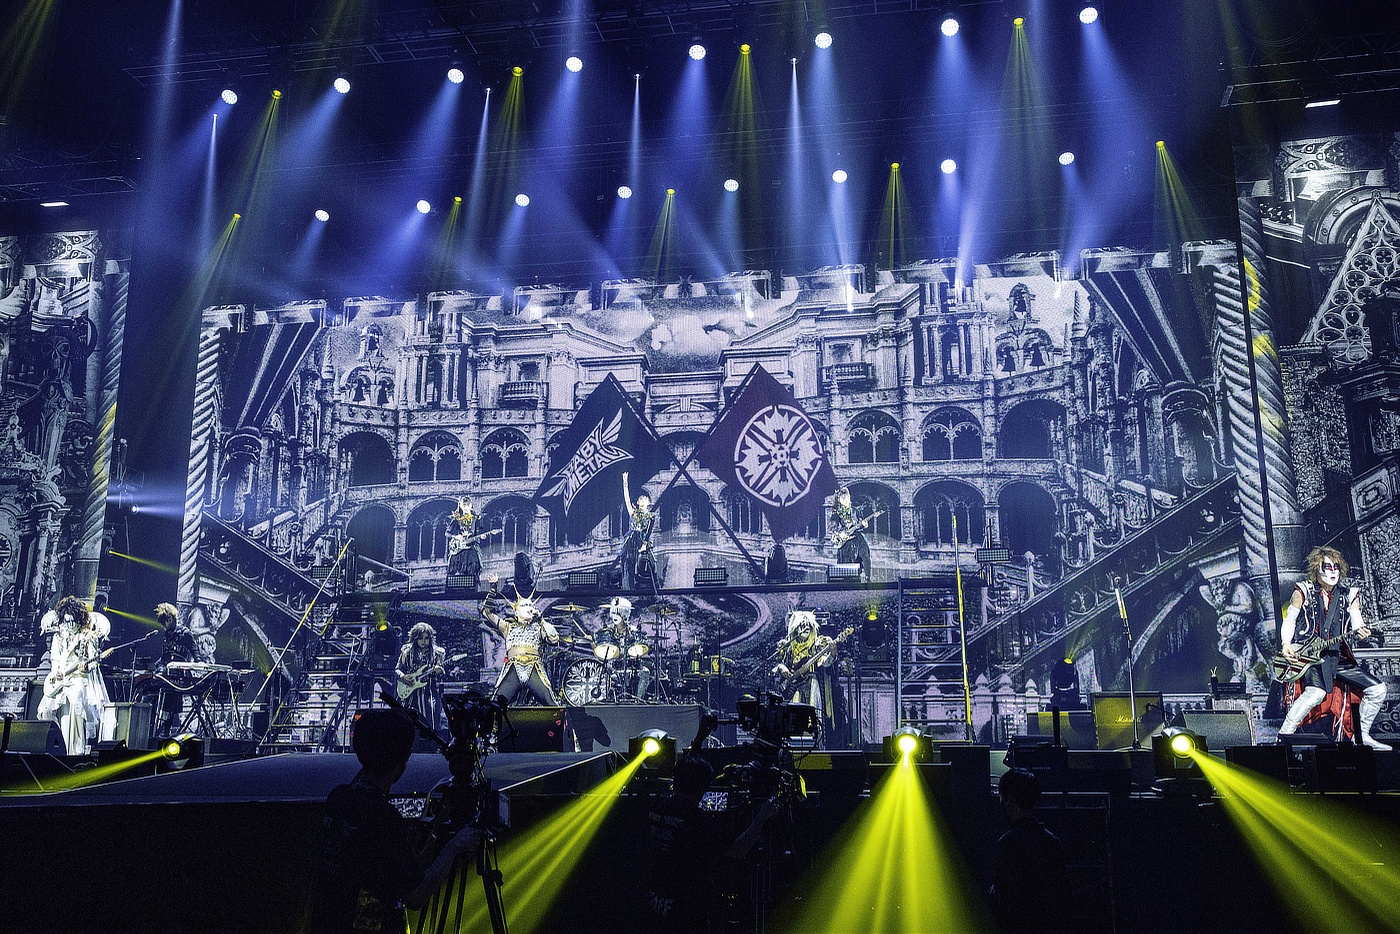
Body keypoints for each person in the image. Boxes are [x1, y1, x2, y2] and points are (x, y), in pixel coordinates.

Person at [309, 709, 482, 934]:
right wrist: (454, 846)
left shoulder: (338, 798)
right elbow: (415, 896)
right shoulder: (383, 817)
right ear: (401, 762)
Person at [642, 752, 780, 934]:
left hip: (657, 901)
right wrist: (762, 816)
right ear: (702, 787)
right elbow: (738, 850)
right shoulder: (697, 820)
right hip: (686, 911)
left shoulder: (657, 805)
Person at [1277, 546, 1391, 749]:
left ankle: (1362, 736)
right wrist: (1286, 643)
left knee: (1377, 689)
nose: (1332, 572)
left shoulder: (1349, 594)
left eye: (1336, 567)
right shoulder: (1303, 590)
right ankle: (1284, 735)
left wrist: (1361, 630)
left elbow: (1356, 620)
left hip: (1336, 656)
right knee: (1315, 693)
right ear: (1317, 568)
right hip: (1309, 654)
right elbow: (1290, 619)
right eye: (1327, 567)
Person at [989, 768, 1069, 934]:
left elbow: (1004, 900)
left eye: (1001, 796)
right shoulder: (1053, 842)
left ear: (1010, 800)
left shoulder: (1007, 843)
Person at [36, 596, 104, 755]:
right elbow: (54, 658)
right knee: (46, 708)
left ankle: (75, 750)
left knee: (76, 699)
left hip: (79, 678)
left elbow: (93, 661)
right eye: (66, 621)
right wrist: (57, 672)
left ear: (79, 618)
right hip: (60, 678)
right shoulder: (58, 636)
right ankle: (53, 745)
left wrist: (86, 668)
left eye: (72, 621)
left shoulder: (88, 636)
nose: (69, 625)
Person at [481, 573, 559, 706]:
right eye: (524, 605)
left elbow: (554, 640)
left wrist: (541, 619)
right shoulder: (507, 627)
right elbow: (486, 612)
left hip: (534, 667)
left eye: (530, 605)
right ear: (516, 613)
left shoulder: (538, 627)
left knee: (551, 703)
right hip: (513, 668)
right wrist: (493, 589)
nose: (529, 607)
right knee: (495, 704)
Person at [772, 610, 843, 746]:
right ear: (795, 628)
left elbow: (825, 663)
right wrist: (782, 668)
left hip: (812, 685)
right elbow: (777, 665)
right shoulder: (787, 646)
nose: (805, 628)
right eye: (802, 625)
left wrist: (833, 653)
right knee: (794, 719)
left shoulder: (818, 644)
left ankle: (815, 747)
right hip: (793, 688)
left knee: (813, 718)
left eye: (808, 625)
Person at [395, 622, 448, 734]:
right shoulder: (407, 652)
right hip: (409, 694)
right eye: (420, 638)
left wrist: (439, 671)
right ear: (415, 638)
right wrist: (403, 677)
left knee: (431, 721)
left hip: (428, 693)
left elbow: (441, 674)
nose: (423, 641)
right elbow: (397, 670)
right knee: (407, 722)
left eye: (426, 638)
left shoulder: (436, 653)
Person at [619, 471, 656, 590]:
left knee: (649, 562)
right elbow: (627, 499)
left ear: (648, 502)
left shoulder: (651, 516)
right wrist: (625, 482)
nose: (643, 500)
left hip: (642, 542)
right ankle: (628, 586)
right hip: (631, 542)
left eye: (645, 499)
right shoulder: (633, 513)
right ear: (638, 502)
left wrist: (644, 544)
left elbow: (648, 531)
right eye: (641, 499)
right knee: (627, 562)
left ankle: (649, 585)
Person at [829, 487, 871, 581]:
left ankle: (867, 577)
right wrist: (839, 534)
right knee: (847, 559)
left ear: (849, 498)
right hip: (845, 539)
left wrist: (864, 525)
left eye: (845, 498)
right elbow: (833, 527)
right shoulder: (838, 512)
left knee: (865, 554)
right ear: (839, 499)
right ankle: (847, 579)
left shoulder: (856, 510)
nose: (844, 501)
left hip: (857, 537)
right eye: (842, 498)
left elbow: (861, 525)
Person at [446, 496, 483, 589]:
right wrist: (456, 536)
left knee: (472, 569)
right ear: (461, 506)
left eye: (467, 505)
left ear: (471, 506)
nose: (466, 507)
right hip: (459, 549)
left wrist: (480, 537)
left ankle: (471, 590)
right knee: (454, 569)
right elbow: (447, 533)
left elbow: (478, 534)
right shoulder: (456, 519)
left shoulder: (476, 519)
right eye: (464, 505)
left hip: (471, 548)